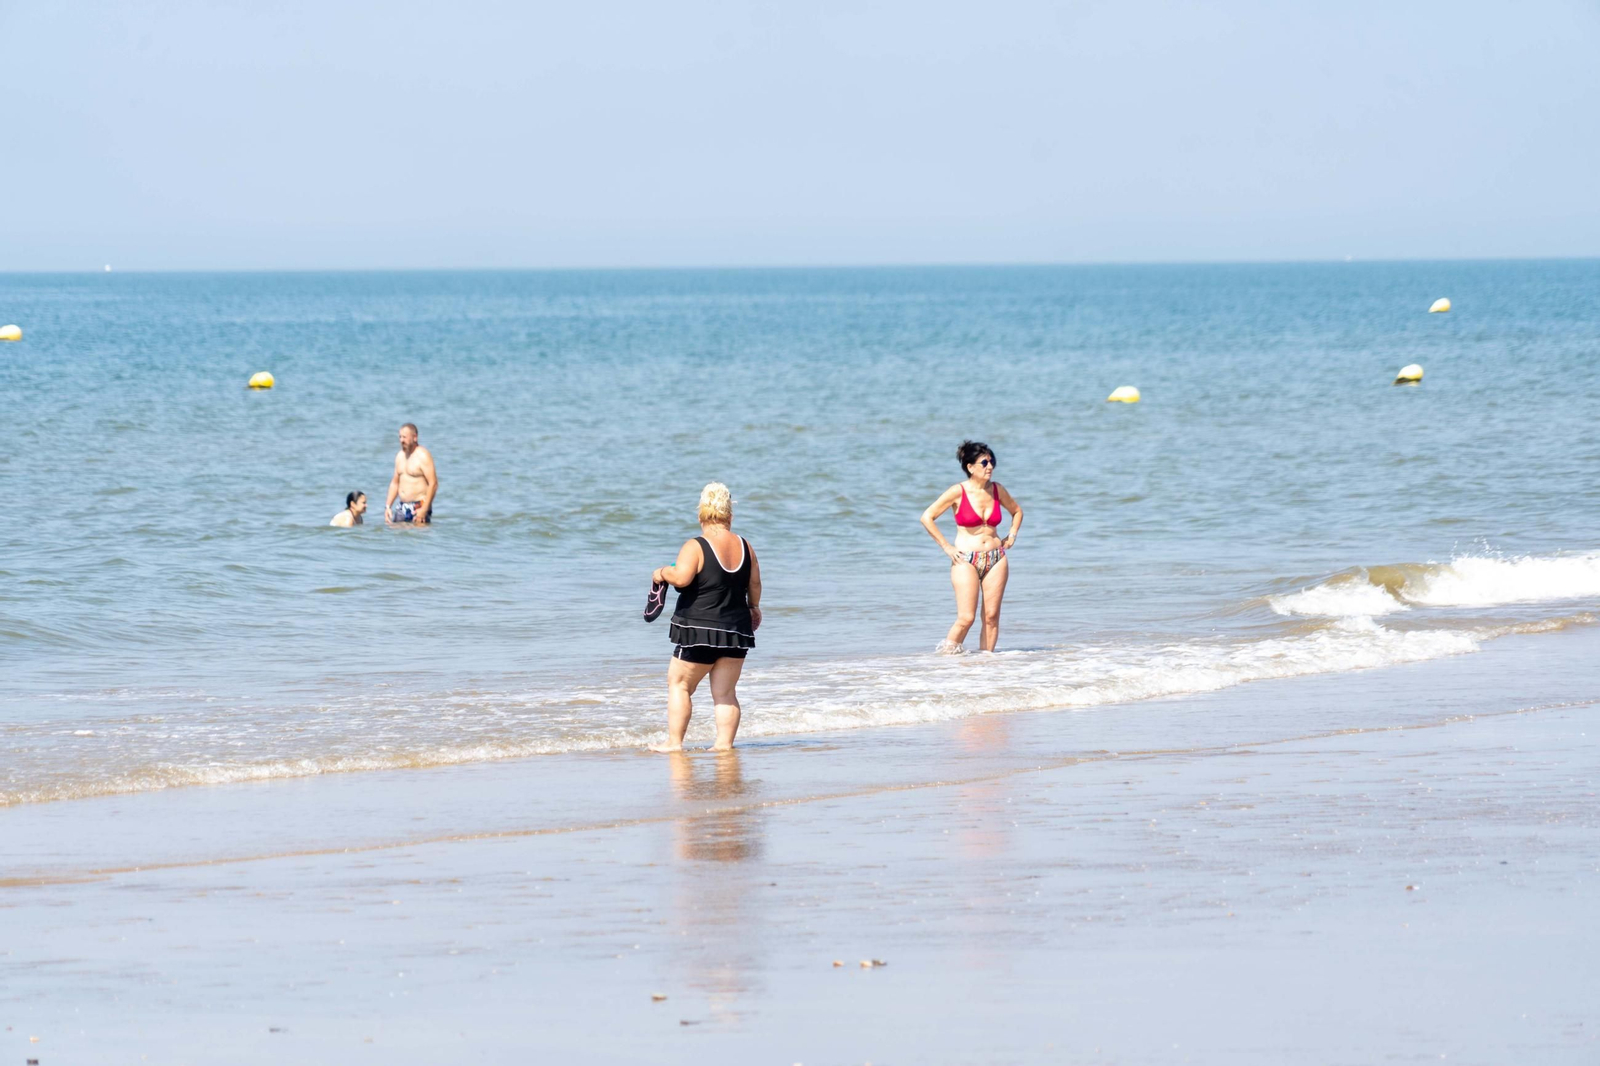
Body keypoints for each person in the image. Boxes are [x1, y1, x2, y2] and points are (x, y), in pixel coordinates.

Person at [648, 483, 762, 752]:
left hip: (699, 628)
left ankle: (674, 743)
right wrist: (754, 607)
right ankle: (723, 746)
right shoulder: (746, 546)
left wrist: (662, 572)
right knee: (725, 693)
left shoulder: (695, 546)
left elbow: (683, 577)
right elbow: (755, 584)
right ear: (729, 516)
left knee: (679, 684)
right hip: (736, 629)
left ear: (701, 515)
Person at [919, 440, 1024, 653]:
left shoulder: (997, 490)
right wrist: (947, 547)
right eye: (984, 462)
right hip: (965, 559)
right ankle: (946, 661)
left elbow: (1017, 511)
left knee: (991, 617)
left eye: (992, 461)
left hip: (996, 558)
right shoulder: (957, 492)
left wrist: (1012, 535)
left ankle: (984, 667)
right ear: (970, 467)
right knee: (966, 617)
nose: (990, 466)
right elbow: (927, 517)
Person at [386, 423, 437, 524]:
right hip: (402, 506)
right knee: (395, 536)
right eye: (400, 437)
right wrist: (388, 506)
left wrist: (425, 509)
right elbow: (395, 483)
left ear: (414, 437)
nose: (401, 440)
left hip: (420, 505)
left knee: (418, 538)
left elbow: (433, 484)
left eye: (404, 437)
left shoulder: (423, 455)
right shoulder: (400, 456)